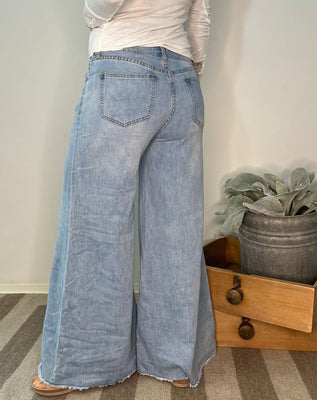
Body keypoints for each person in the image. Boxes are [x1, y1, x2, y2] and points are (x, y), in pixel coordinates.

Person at [31, 0, 215, 396]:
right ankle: (175, 359)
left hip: (121, 73)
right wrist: (188, 70)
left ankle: (81, 364)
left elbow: (100, 8)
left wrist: (89, 15)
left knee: (96, 222)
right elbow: (199, 16)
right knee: (175, 228)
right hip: (184, 83)